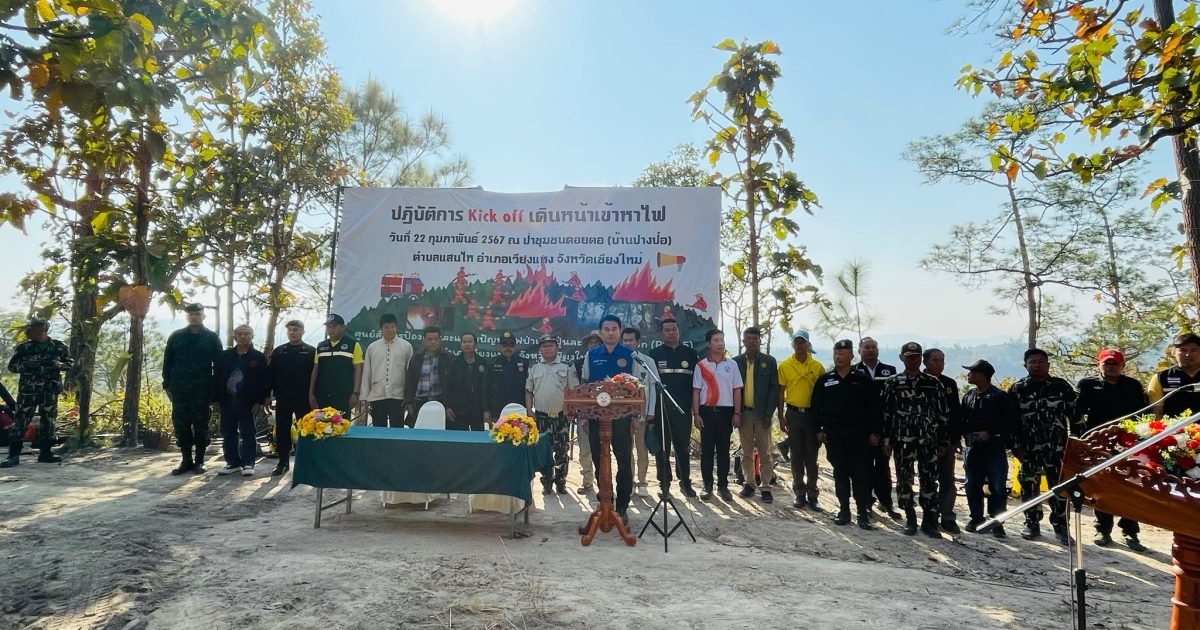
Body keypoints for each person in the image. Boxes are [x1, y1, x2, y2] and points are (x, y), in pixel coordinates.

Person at [1076, 348, 1148, 551]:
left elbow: (1143, 414)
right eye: (1106, 363)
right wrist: (1083, 439)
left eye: (1115, 364)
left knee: (1130, 487)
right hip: (1098, 444)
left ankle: (1130, 531)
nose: (1111, 367)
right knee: (1102, 487)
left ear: (1122, 366)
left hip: (1128, 444)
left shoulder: (1133, 386)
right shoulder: (1087, 385)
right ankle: (1102, 529)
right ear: (1098, 365)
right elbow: (1077, 413)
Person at [1009, 347, 1078, 544]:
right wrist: (1014, 445)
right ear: (1025, 366)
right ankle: (1031, 523)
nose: (1037, 365)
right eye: (1032, 362)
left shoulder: (1061, 386)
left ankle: (1061, 525)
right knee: (1029, 485)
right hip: (1028, 448)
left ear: (1048, 364)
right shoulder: (1018, 388)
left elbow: (1075, 416)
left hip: (1058, 448)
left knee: (1060, 487)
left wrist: (1076, 444)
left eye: (1041, 361)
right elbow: (1011, 420)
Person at [881, 341, 950, 538]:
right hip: (903, 439)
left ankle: (929, 520)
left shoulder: (933, 382)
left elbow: (942, 414)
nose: (913, 360)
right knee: (904, 479)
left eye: (917, 356)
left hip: (928, 440)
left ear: (921, 358)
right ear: (901, 358)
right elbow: (886, 413)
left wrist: (943, 441)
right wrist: (886, 439)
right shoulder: (893, 382)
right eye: (909, 357)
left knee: (929, 480)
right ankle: (910, 518)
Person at [811, 339, 879, 529]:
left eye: (842, 354)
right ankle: (844, 511)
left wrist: (875, 432)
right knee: (840, 473)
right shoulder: (826, 380)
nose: (838, 357)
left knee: (860, 474)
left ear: (851, 356)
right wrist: (818, 430)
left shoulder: (861, 379)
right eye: (836, 354)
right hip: (835, 436)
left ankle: (862, 513)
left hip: (859, 436)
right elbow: (816, 406)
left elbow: (873, 407)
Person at [581, 315, 637, 522]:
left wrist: (634, 416)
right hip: (596, 417)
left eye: (614, 329)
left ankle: (622, 506)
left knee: (624, 460)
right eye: (606, 329)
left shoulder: (630, 355)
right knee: (599, 459)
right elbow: (584, 387)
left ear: (620, 331)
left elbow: (637, 390)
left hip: (622, 417)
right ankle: (606, 501)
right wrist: (585, 416)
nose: (610, 332)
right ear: (601, 332)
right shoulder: (592, 355)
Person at [161, 303, 222, 476]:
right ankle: (186, 460)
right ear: (187, 317)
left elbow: (218, 365)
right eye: (191, 314)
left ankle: (200, 461)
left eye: (197, 314)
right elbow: (167, 362)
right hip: (179, 389)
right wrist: (167, 385)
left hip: (202, 389)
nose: (194, 317)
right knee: (181, 425)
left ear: (203, 316)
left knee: (201, 425)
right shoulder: (176, 336)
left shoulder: (211, 337)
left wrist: (215, 391)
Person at [2, 318, 72, 468]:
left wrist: (58, 365)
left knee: (49, 421)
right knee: (21, 421)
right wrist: (26, 366)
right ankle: (13, 456)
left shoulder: (59, 347)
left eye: (33, 330)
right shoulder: (24, 348)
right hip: (28, 392)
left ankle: (46, 453)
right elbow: (12, 367)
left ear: (42, 331)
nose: (29, 333)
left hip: (49, 391)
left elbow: (69, 364)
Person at [959, 359, 1015, 538]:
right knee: (972, 484)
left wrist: (990, 433)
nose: (969, 375)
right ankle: (976, 518)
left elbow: (1008, 421)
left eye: (972, 372)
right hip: (973, 448)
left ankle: (996, 522)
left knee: (997, 485)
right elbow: (962, 419)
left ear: (982, 375)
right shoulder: (969, 395)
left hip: (994, 448)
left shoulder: (1000, 396)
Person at [648, 319, 700, 497]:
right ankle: (664, 484)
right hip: (661, 409)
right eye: (667, 330)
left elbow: (696, 385)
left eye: (673, 329)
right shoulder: (654, 354)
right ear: (661, 333)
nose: (671, 332)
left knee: (682, 448)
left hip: (683, 409)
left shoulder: (691, 354)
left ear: (679, 331)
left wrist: (694, 409)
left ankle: (685, 483)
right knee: (662, 449)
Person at [692, 328, 744, 502]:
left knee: (723, 452)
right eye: (716, 340)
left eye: (722, 340)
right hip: (706, 412)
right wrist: (696, 414)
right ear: (708, 344)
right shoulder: (701, 366)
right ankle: (707, 487)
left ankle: (723, 486)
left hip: (726, 413)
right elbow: (696, 392)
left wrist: (737, 413)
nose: (720, 343)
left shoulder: (732, 365)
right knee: (706, 452)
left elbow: (737, 391)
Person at [852, 337, 900, 519]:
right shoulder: (854, 371)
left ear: (878, 350)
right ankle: (865, 503)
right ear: (859, 351)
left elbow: (893, 402)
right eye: (866, 347)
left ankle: (886, 502)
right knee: (862, 468)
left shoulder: (889, 371)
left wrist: (885, 434)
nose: (870, 350)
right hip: (861, 430)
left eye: (873, 347)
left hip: (884, 428)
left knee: (883, 468)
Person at [213, 325, 269, 477]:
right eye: (240, 334)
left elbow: (264, 380)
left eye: (246, 334)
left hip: (249, 402)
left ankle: (248, 462)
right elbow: (217, 378)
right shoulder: (224, 356)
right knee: (228, 432)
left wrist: (259, 401)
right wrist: (216, 399)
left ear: (252, 336)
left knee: (248, 432)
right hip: (227, 400)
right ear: (234, 337)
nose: (243, 337)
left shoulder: (258, 357)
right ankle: (232, 462)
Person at [777, 330, 824, 510]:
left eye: (802, 342)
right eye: (796, 342)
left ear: (808, 344)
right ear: (792, 344)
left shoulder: (817, 366)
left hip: (812, 416)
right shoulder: (785, 365)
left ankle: (813, 494)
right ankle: (799, 493)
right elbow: (781, 392)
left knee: (811, 457)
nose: (799, 345)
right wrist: (781, 416)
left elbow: (823, 394)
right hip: (793, 414)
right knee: (796, 456)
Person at [526, 334, 579, 494]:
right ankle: (547, 482)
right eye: (544, 346)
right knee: (544, 451)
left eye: (551, 345)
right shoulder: (534, 367)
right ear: (540, 349)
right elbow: (529, 390)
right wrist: (529, 410)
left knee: (562, 451)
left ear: (557, 348)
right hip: (541, 417)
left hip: (561, 416)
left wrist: (571, 411)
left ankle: (561, 482)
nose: (548, 348)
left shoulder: (567, 366)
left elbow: (573, 391)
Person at [734, 326, 780, 503]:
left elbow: (774, 389)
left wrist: (769, 413)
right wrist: (736, 413)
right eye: (749, 338)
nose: (752, 341)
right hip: (744, 413)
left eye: (755, 338)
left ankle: (766, 487)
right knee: (746, 452)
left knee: (765, 453)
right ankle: (749, 484)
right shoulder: (736, 362)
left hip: (762, 415)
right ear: (743, 341)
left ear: (760, 340)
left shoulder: (769, 361)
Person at [923, 347, 964, 534]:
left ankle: (947, 516)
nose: (939, 364)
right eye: (935, 360)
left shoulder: (949, 383)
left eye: (942, 360)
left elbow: (955, 413)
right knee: (927, 480)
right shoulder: (918, 381)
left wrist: (955, 439)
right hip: (923, 440)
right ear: (925, 362)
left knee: (947, 480)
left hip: (946, 441)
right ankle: (929, 515)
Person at [266, 319, 314, 476]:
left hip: (303, 398)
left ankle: (304, 463)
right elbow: (270, 375)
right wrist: (267, 395)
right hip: (283, 397)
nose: (292, 333)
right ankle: (283, 462)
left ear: (302, 332)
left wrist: (314, 396)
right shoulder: (279, 351)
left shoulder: (311, 351)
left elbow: (316, 376)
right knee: (282, 430)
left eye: (296, 330)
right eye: (290, 330)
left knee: (305, 430)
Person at [621, 327, 659, 498]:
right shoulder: (619, 360)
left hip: (642, 414)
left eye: (631, 340)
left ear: (638, 342)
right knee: (626, 450)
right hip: (623, 414)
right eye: (625, 340)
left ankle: (642, 482)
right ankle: (628, 482)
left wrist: (651, 411)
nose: (628, 343)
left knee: (642, 449)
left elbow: (653, 387)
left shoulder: (647, 361)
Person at [358, 313, 413, 428]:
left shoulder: (406, 346)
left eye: (393, 327)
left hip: (398, 396)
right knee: (378, 429)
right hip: (377, 395)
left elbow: (410, 374)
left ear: (396, 327)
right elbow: (367, 372)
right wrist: (364, 397)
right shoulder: (372, 348)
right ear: (381, 329)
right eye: (386, 327)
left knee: (397, 429)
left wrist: (408, 398)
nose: (390, 330)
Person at [309, 314, 363, 416]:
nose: (331, 329)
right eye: (329, 327)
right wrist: (311, 393)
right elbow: (315, 369)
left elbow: (358, 369)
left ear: (343, 327)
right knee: (320, 424)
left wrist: (355, 393)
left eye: (334, 326)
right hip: (322, 395)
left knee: (341, 424)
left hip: (343, 396)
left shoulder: (353, 345)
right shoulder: (321, 346)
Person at [403, 326, 454, 425]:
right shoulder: (416, 357)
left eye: (436, 339)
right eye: (429, 339)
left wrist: (448, 406)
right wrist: (409, 402)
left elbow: (451, 385)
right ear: (424, 341)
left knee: (438, 432)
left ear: (440, 340)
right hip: (419, 403)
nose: (433, 342)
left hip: (440, 403)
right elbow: (409, 381)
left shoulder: (447, 358)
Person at [573, 330, 603, 493]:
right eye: (590, 343)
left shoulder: (608, 361)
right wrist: (581, 411)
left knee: (604, 450)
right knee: (585, 449)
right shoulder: (578, 364)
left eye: (596, 342)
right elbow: (575, 389)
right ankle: (587, 482)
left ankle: (604, 483)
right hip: (584, 411)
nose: (593, 345)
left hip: (606, 412)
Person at [1149, 331, 1200, 419]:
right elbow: (1157, 412)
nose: (1188, 354)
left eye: (1193, 350)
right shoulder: (1161, 378)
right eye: (1182, 350)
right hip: (1175, 427)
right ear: (1173, 352)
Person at [446, 332, 488, 430]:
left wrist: (486, 410)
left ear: (475, 345)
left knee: (477, 437)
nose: (467, 344)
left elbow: (486, 388)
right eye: (464, 342)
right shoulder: (453, 363)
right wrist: (447, 407)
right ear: (460, 344)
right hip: (457, 410)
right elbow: (447, 387)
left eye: (470, 342)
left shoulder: (483, 362)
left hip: (477, 409)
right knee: (458, 437)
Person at [486, 330, 529, 423]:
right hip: (497, 411)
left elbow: (529, 389)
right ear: (499, 347)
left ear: (515, 347)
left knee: (519, 432)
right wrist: (486, 410)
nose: (508, 348)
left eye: (511, 345)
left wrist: (529, 409)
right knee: (498, 432)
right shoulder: (491, 364)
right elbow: (485, 388)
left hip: (519, 409)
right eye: (505, 345)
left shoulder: (524, 363)